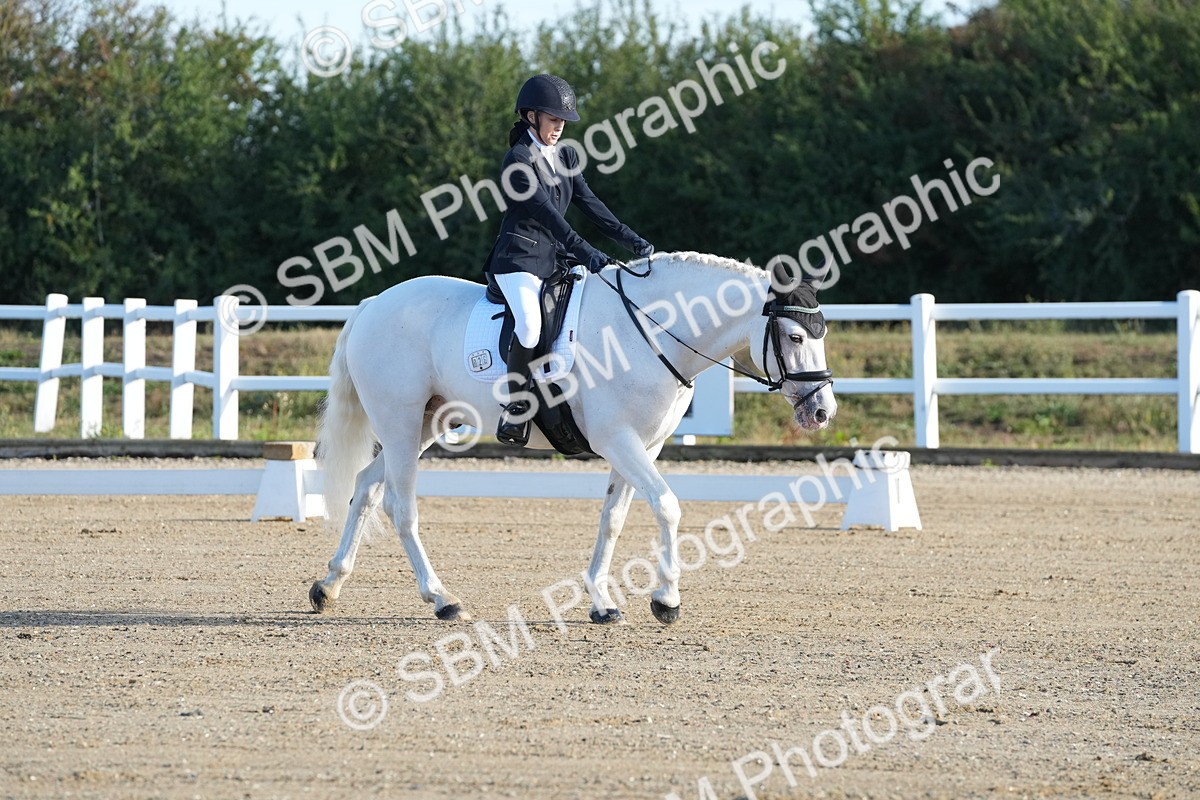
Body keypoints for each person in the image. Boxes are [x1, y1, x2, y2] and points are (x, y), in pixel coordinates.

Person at [487, 73, 654, 446]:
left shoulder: (564, 156)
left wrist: (630, 238)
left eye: (563, 121)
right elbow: (549, 216)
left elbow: (589, 203)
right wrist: (587, 252)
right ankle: (515, 408)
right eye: (553, 119)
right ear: (531, 116)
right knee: (529, 325)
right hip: (519, 258)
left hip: (554, 260)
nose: (559, 127)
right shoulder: (517, 161)